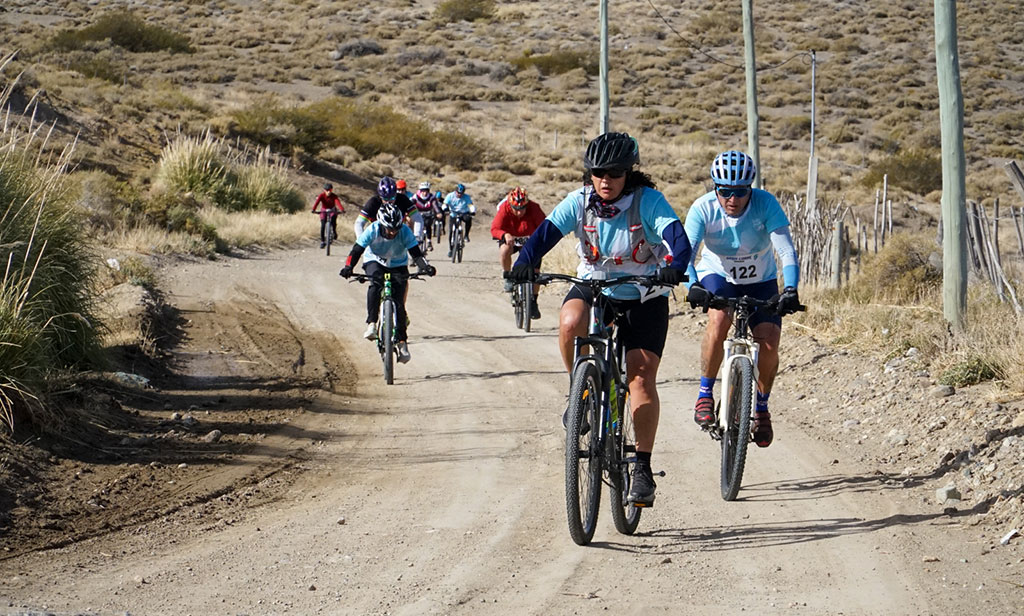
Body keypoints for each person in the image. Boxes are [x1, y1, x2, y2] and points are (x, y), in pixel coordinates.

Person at [509, 132, 690, 507]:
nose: (605, 180)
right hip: (596, 286)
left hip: (645, 294)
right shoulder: (580, 202)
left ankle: (641, 467)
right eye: (597, 172)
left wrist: (674, 267)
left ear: (629, 173)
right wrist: (525, 262)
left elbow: (678, 239)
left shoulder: (648, 202)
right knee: (569, 321)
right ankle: (581, 391)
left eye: (615, 173)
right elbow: (545, 234)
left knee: (640, 377)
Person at [683, 150, 801, 448]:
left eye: (740, 192)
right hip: (717, 275)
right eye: (724, 191)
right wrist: (693, 285)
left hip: (760, 279)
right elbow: (687, 251)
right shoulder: (703, 208)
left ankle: (761, 407)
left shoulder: (765, 204)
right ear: (715, 188)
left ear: (751, 189)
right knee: (720, 319)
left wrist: (791, 289)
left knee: (770, 339)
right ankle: (705, 393)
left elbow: (786, 250)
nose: (732, 199)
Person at [340, 203, 436, 363]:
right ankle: (371, 324)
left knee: (399, 303)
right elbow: (356, 250)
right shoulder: (372, 229)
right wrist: (348, 267)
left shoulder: (404, 231)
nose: (393, 232)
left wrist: (425, 267)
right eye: (389, 229)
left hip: (398, 264)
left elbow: (416, 254)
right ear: (381, 224)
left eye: (396, 228)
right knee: (375, 285)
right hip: (374, 261)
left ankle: (402, 342)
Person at [491, 187, 546, 318]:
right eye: (516, 209)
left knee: (536, 273)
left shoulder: (534, 208)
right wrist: (504, 235)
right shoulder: (504, 208)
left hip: (529, 241)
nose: (519, 212)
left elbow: (544, 226)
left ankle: (533, 300)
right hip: (511, 239)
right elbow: (494, 228)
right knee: (504, 250)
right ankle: (508, 276)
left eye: (522, 209)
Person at [355, 176, 423, 240]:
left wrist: (417, 236)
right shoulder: (373, 202)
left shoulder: (403, 199)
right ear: (380, 196)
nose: (389, 202)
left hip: (397, 236)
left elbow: (417, 218)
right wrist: (360, 239)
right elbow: (359, 223)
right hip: (377, 237)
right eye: (385, 199)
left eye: (392, 198)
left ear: (396, 194)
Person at [443, 183, 475, 256]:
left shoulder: (466, 197)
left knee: (468, 219)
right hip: (453, 214)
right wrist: (445, 209)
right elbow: (445, 204)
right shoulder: (450, 196)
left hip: (464, 213)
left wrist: (472, 211)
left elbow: (470, 205)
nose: (459, 195)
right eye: (458, 193)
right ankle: (451, 249)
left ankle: (466, 235)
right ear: (455, 191)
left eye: (461, 193)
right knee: (451, 232)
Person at [411, 181, 443, 251]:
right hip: (418, 213)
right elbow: (410, 203)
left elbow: (435, 205)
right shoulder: (416, 196)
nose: (425, 193)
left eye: (426, 191)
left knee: (428, 224)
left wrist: (438, 212)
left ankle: (429, 241)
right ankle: (415, 240)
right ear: (420, 191)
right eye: (423, 191)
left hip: (428, 213)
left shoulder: (432, 197)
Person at [312, 183, 345, 248]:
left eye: (330, 190)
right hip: (324, 210)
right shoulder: (321, 195)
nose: (329, 192)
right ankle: (322, 241)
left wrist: (342, 209)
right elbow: (317, 203)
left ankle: (334, 232)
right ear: (324, 190)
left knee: (333, 220)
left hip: (332, 209)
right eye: (327, 190)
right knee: (323, 225)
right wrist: (313, 209)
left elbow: (338, 203)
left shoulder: (334, 196)